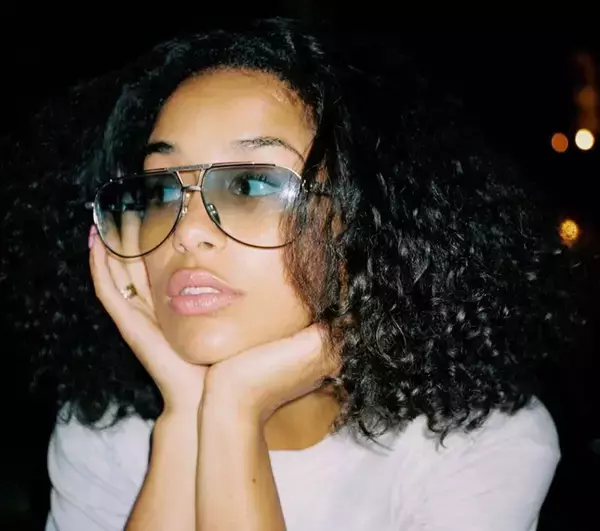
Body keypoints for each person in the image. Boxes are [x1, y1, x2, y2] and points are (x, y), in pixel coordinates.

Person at [7, 18, 579, 531]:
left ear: (368, 225)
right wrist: (185, 420)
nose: (187, 231)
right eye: (160, 190)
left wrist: (233, 412)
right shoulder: (104, 436)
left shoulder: (477, 444)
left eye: (251, 184)